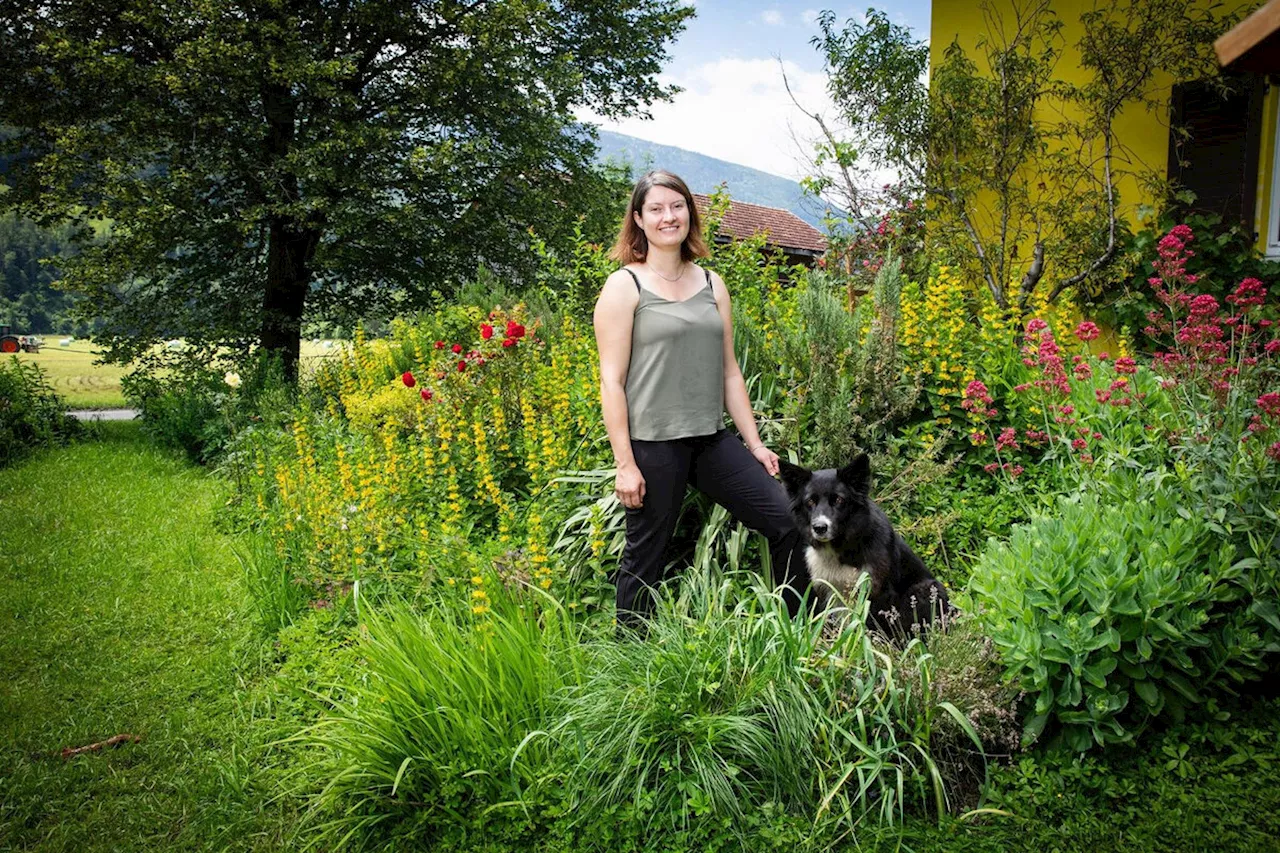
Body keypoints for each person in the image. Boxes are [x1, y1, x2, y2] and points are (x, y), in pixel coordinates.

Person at [592, 170, 809, 633]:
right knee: (644, 556)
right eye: (657, 209)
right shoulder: (624, 286)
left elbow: (729, 370)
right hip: (652, 444)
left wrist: (753, 443)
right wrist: (624, 464)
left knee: (788, 523)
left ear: (690, 213)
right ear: (639, 220)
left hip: (710, 440)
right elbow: (611, 381)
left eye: (677, 206)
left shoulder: (712, 283)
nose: (668, 216)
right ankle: (627, 660)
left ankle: (795, 638)